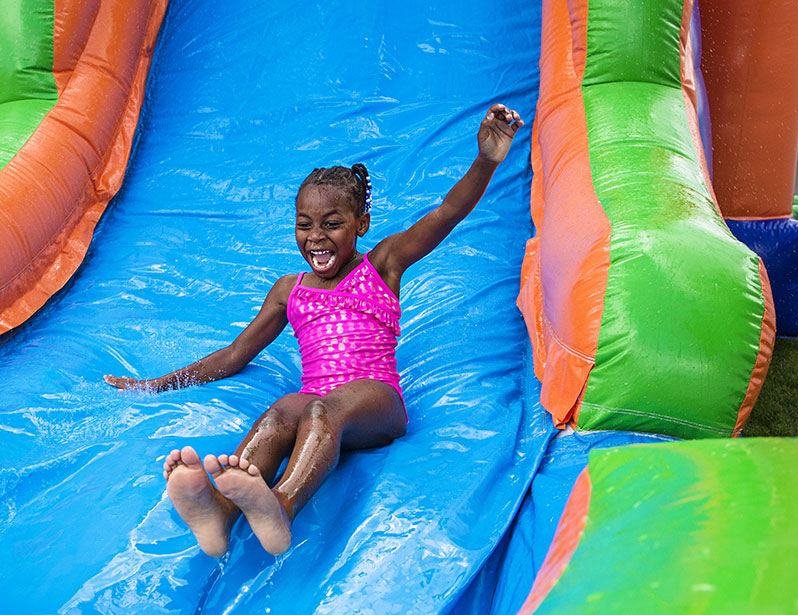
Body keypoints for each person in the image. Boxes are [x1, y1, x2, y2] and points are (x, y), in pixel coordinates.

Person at [105, 104, 524, 557]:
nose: (316, 237)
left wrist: (485, 161)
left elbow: (446, 213)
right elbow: (234, 354)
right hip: (314, 399)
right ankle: (220, 513)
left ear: (360, 225)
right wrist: (154, 386)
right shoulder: (290, 290)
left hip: (375, 398)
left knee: (324, 411)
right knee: (281, 411)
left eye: (332, 224)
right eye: (304, 225)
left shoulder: (383, 264)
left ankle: (281, 507)